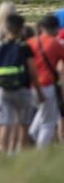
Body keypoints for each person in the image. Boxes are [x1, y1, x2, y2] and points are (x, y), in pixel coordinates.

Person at [0, 13, 42, 155]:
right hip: (22, 88)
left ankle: (3, 149)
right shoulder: (24, 47)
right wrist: (39, 92)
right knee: (23, 124)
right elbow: (32, 71)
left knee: (6, 122)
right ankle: (20, 152)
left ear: (6, 28)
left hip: (3, 89)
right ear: (21, 29)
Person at [27, 14, 64, 148]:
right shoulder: (55, 43)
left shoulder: (31, 42)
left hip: (31, 85)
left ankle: (32, 133)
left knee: (43, 111)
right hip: (47, 84)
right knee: (49, 121)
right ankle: (41, 149)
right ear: (56, 29)